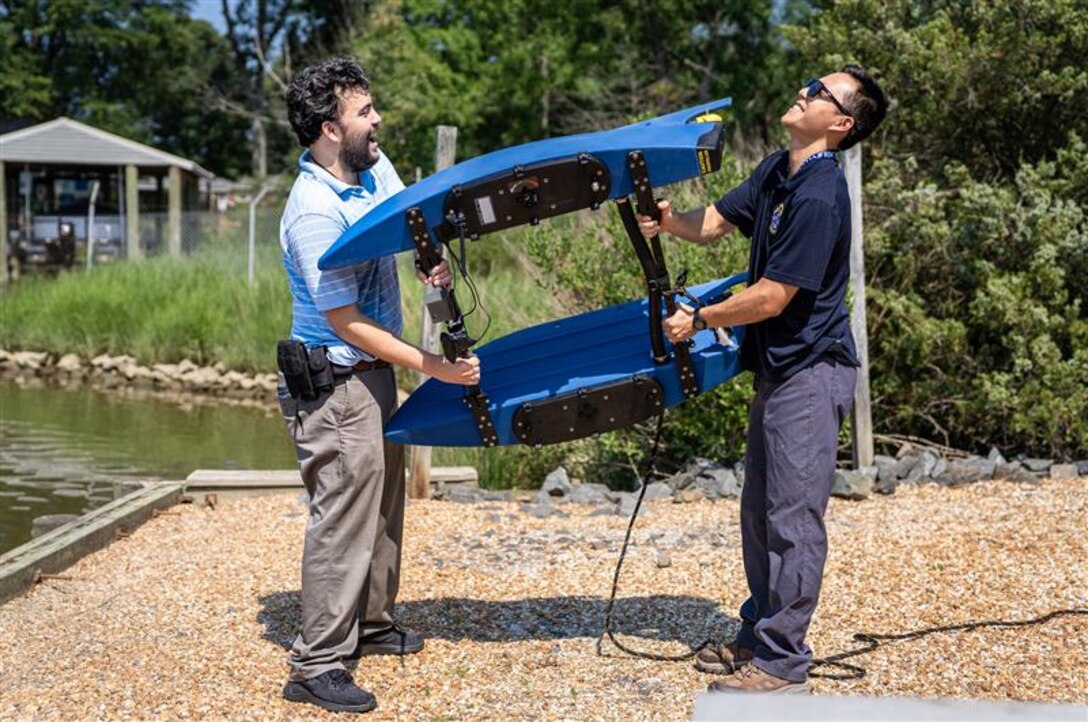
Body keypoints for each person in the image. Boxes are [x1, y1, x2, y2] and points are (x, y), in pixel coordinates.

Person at [638, 66, 888, 695]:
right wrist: (668, 222)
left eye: (818, 91)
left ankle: (782, 662)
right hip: (779, 369)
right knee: (760, 513)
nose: (802, 90)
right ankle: (758, 633)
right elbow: (717, 221)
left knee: (793, 519)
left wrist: (699, 318)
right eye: (806, 81)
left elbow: (774, 296)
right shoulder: (782, 169)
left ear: (840, 124)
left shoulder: (820, 195)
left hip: (812, 370)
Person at [277, 56, 481, 714]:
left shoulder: (369, 170)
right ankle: (316, 664)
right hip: (335, 382)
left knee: (383, 504)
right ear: (330, 129)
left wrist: (431, 260)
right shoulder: (313, 211)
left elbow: (404, 213)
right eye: (364, 111)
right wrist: (435, 367)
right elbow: (346, 321)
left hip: (371, 378)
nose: (377, 119)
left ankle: (369, 622)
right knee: (342, 517)